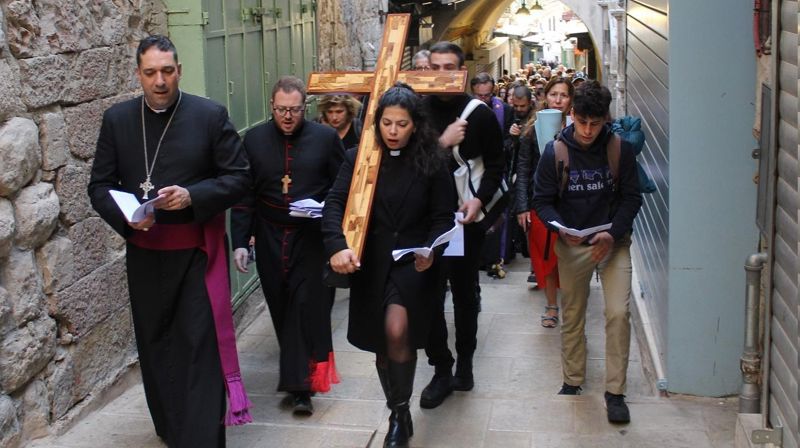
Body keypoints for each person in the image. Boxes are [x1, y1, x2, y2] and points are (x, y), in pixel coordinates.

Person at [88, 35, 251, 447]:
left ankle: (202, 438)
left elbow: (239, 178)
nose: (159, 81)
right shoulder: (118, 120)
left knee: (198, 345)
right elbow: (99, 186)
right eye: (150, 73)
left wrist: (193, 195)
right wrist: (128, 218)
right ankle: (172, 427)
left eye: (166, 71)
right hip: (145, 255)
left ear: (179, 71)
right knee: (156, 343)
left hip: (196, 254)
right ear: (138, 74)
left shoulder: (209, 116)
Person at [322, 83, 454, 448]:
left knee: (397, 330)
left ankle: (397, 415)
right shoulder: (359, 158)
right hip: (372, 264)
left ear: (416, 125)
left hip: (413, 264)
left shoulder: (433, 161)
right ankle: (399, 409)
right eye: (386, 123)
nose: (393, 131)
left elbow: (443, 217)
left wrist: (432, 249)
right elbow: (334, 204)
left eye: (402, 124)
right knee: (383, 343)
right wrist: (337, 246)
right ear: (376, 122)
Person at [231, 76, 344, 415]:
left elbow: (342, 187)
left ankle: (301, 388)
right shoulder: (254, 140)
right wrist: (240, 241)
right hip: (269, 236)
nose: (288, 117)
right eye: (281, 110)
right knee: (281, 306)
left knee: (305, 306)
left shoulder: (325, 139)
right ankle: (298, 374)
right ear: (272, 106)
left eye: (294, 110)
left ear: (304, 107)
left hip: (311, 238)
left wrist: (328, 215)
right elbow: (245, 194)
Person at [532, 80, 642, 423]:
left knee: (618, 314)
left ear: (605, 119)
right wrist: (559, 228)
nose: (588, 131)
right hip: (573, 244)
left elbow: (632, 198)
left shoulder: (620, 150)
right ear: (572, 115)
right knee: (573, 313)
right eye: (582, 122)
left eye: (595, 123)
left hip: (613, 243)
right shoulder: (555, 151)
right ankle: (572, 379)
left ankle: (615, 392)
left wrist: (613, 233)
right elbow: (542, 201)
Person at [421, 42, 505, 409]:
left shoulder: (479, 115)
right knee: (429, 296)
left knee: (465, 294)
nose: (442, 75)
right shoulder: (416, 112)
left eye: (449, 68)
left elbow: (497, 165)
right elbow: (406, 166)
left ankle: (465, 365)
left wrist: (479, 200)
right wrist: (442, 142)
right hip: (425, 221)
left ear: (462, 72)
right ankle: (441, 369)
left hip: (463, 222)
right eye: (435, 67)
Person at [516, 77, 574, 327]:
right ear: (545, 97)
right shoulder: (532, 128)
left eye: (564, 95)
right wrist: (522, 206)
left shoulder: (579, 127)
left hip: (572, 202)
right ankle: (551, 305)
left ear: (570, 100)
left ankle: (573, 306)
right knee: (548, 255)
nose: (558, 100)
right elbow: (523, 169)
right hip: (541, 201)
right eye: (553, 94)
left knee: (570, 258)